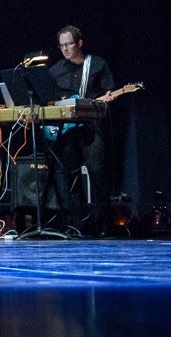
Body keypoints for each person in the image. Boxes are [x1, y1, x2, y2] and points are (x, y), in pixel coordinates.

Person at [46, 25, 115, 233]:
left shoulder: (97, 65)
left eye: (69, 44)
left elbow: (108, 93)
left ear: (80, 43)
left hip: (91, 126)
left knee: (97, 172)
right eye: (62, 45)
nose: (65, 49)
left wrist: (107, 99)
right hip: (67, 130)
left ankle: (104, 224)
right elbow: (48, 100)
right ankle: (77, 224)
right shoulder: (55, 71)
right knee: (69, 174)